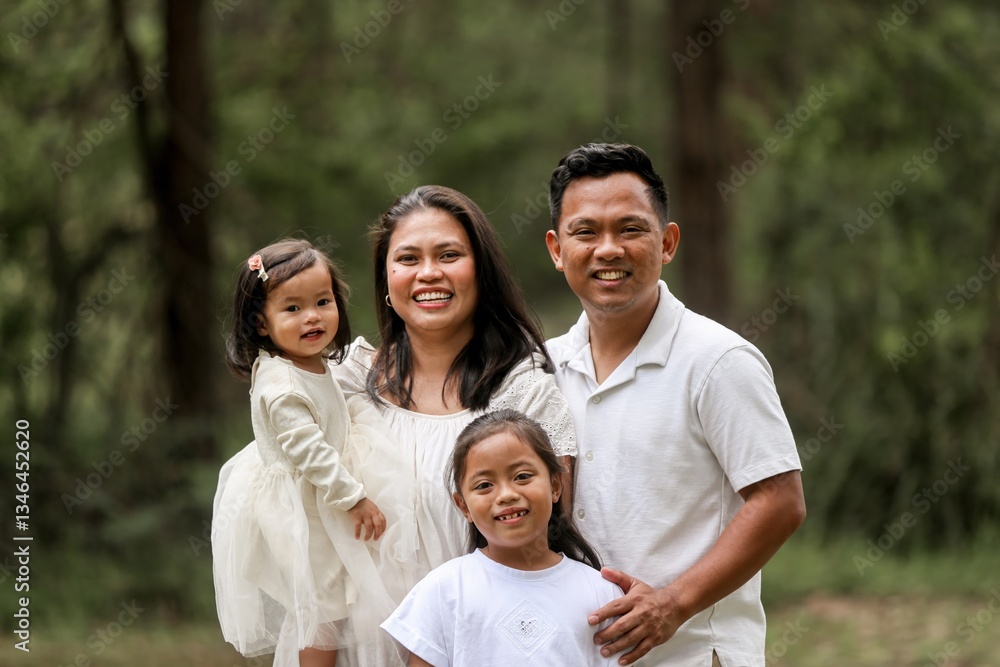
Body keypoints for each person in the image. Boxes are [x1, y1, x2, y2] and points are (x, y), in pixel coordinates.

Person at [544, 143, 807, 667]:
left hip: (693, 653)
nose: (608, 249)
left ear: (667, 242)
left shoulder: (718, 361)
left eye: (630, 229)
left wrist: (673, 604)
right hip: (578, 654)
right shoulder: (543, 368)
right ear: (557, 249)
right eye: (586, 232)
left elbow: (780, 501)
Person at [331, 185, 579, 585]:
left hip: (480, 620)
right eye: (408, 259)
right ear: (386, 279)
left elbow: (548, 543)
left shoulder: (525, 393)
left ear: (481, 271)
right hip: (358, 623)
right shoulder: (344, 382)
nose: (429, 272)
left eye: (449, 255)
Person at [212, 238, 417, 667]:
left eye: (323, 301)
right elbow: (309, 451)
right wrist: (353, 497)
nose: (312, 316)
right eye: (292, 308)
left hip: (321, 495)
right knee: (324, 606)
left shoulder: (311, 361)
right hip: (306, 507)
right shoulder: (281, 384)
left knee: (340, 593)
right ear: (261, 323)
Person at [381, 408, 623, 666]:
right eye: (484, 485)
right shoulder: (441, 591)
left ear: (555, 486)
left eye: (522, 477)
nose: (506, 495)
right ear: (463, 506)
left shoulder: (601, 594)